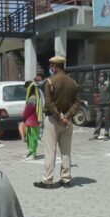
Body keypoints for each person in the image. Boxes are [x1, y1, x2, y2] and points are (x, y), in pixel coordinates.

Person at [34, 56, 80, 189]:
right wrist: (67, 116)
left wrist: (59, 117)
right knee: (66, 151)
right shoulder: (72, 82)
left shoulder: (50, 81)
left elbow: (48, 104)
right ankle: (66, 178)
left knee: (50, 150)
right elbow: (78, 102)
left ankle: (47, 180)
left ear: (54, 66)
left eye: (51, 65)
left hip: (53, 120)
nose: (51, 68)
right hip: (67, 121)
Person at [91, 71, 110, 140]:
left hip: (107, 105)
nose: (100, 78)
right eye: (99, 76)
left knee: (107, 120)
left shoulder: (109, 84)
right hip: (100, 105)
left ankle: (106, 134)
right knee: (98, 120)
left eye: (101, 76)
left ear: (105, 77)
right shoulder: (99, 85)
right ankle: (96, 135)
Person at [22, 81, 43, 159]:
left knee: (32, 138)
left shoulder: (32, 98)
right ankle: (31, 152)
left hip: (31, 121)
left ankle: (33, 153)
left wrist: (23, 116)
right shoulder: (37, 97)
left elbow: (27, 110)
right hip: (34, 121)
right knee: (31, 138)